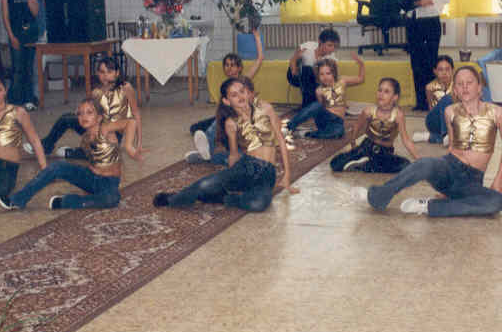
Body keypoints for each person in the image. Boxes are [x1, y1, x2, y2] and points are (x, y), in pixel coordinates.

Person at [353, 66, 502, 217]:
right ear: (455, 90)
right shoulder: (450, 111)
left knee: (496, 202)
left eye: (469, 82)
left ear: (479, 87)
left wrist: (498, 180)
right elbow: (452, 146)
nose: (465, 87)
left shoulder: (497, 113)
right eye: (459, 84)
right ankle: (377, 196)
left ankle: (429, 206)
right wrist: (441, 177)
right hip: (449, 167)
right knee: (425, 163)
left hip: (472, 181)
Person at [154, 77, 299, 212]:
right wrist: (228, 176)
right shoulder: (231, 123)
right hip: (246, 166)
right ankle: (172, 199)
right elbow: (234, 155)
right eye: (234, 95)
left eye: (242, 91)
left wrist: (287, 175)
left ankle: (224, 198)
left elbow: (281, 140)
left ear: (247, 92)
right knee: (205, 185)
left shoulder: (265, 107)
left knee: (258, 204)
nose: (240, 96)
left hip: (268, 173)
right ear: (227, 101)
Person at [0, 98, 123, 210]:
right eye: (80, 113)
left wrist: (129, 146)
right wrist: (87, 182)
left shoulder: (106, 131)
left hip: (109, 184)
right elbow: (93, 162)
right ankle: (18, 200)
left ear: (99, 117)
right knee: (57, 166)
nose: (83, 116)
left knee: (112, 199)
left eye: (89, 112)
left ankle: (64, 202)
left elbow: (129, 123)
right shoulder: (86, 138)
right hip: (91, 178)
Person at [23, 56, 144, 160]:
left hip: (114, 132)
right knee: (66, 119)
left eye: (109, 72)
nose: (105, 76)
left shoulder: (125, 87)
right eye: (102, 72)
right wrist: (81, 113)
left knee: (102, 151)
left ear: (117, 73)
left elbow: (136, 113)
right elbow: (86, 110)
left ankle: (73, 153)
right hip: (98, 129)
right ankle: (46, 146)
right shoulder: (96, 92)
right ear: (97, 74)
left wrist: (139, 142)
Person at [188, 29, 264, 162]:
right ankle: (208, 151)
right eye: (227, 65)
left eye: (233, 65)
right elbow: (221, 109)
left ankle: (207, 152)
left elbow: (260, 59)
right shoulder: (225, 86)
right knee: (197, 127)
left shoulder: (244, 80)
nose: (229, 68)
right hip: (226, 118)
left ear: (239, 68)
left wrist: (257, 38)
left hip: (241, 120)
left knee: (216, 124)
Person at [398, 0, 450, 111]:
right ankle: (420, 102)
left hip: (430, 21)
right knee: (416, 63)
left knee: (430, 61)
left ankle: (433, 100)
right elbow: (407, 1)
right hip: (414, 22)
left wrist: (429, 1)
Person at [330, 77, 419, 172]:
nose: (381, 94)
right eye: (380, 90)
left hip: (385, 152)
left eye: (386, 92)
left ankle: (365, 165)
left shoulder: (398, 115)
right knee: (335, 163)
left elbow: (406, 140)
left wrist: (418, 159)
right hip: (367, 147)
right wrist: (353, 145)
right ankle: (366, 163)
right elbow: (356, 127)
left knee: (406, 165)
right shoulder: (368, 111)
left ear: (395, 97)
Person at [282, 53, 364, 142]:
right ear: (318, 76)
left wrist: (361, 64)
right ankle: (289, 127)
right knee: (316, 105)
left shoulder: (342, 81)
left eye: (328, 73)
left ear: (334, 73)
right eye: (321, 74)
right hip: (325, 120)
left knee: (339, 132)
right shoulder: (319, 90)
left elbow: (360, 79)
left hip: (337, 122)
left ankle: (308, 133)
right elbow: (320, 108)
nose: (325, 77)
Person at [0, 0, 39, 109]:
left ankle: (29, 100)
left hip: (30, 33)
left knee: (29, 67)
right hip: (15, 33)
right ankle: (16, 101)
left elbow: (35, 12)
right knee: (17, 68)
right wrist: (11, 36)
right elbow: (5, 16)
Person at [286, 28, 340, 109]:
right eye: (329, 45)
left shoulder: (331, 59)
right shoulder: (307, 47)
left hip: (313, 81)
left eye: (334, 46)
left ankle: (310, 106)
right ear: (320, 42)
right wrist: (294, 70)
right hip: (295, 76)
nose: (332, 49)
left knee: (317, 74)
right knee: (307, 70)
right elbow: (293, 60)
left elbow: (333, 79)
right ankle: (308, 106)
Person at [412, 55, 454, 144]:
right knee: (447, 99)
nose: (444, 73)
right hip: (435, 120)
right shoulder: (429, 87)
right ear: (435, 71)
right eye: (440, 70)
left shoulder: (458, 86)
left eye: (447, 69)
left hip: (453, 120)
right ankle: (446, 134)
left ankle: (430, 137)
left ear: (452, 70)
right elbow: (431, 108)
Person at [25, 0, 46, 106]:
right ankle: (29, 96)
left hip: (41, 35)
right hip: (27, 36)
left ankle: (37, 96)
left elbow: (44, 16)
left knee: (37, 68)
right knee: (28, 68)